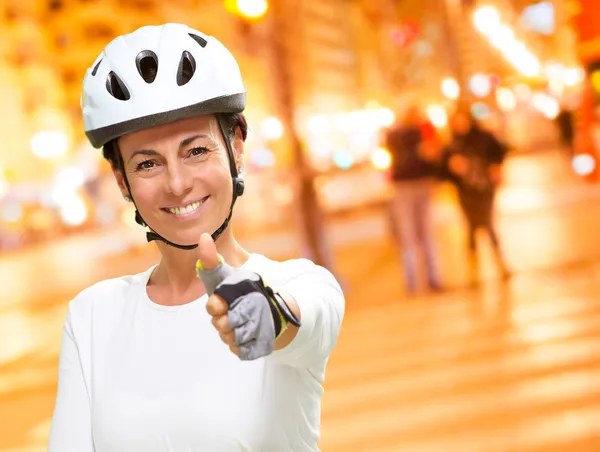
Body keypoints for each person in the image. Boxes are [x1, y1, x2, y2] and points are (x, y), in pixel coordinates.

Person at [48, 23, 345, 452]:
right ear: (122, 180)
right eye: (148, 164)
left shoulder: (302, 283)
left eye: (196, 151)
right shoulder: (91, 316)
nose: (177, 183)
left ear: (236, 147)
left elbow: (306, 320)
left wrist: (269, 314)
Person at [443, 109, 510, 286]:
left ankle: (500, 264)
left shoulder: (483, 137)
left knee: (487, 223)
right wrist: (452, 167)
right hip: (466, 192)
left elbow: (499, 151)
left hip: (484, 187)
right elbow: (443, 170)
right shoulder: (452, 144)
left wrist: (495, 167)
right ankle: (473, 271)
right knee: (471, 227)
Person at [384, 104, 444, 294]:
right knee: (416, 234)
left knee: (420, 234)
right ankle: (417, 281)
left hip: (417, 184)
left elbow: (434, 155)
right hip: (409, 185)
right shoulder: (402, 134)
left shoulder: (413, 132)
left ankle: (425, 280)